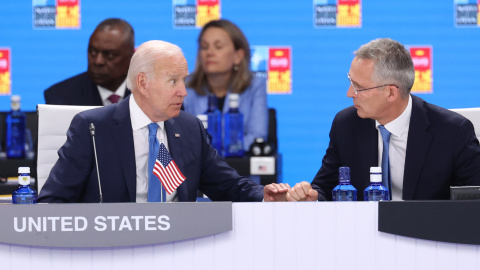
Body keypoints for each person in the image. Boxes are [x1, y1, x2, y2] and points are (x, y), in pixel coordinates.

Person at [37, 40, 287, 203]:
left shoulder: (190, 128)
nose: (183, 91)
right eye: (173, 81)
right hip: (112, 248)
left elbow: (228, 185)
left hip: (179, 244)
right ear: (143, 83)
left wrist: (263, 194)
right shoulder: (92, 128)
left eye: (184, 80)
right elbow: (52, 201)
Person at [285, 38, 480, 202]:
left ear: (391, 92)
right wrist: (312, 197)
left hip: (430, 237)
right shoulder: (346, 125)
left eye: (358, 87)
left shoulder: (453, 132)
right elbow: (326, 186)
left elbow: (472, 202)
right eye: (349, 82)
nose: (349, 93)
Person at [183, 19, 268, 151]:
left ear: (238, 56)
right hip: (199, 169)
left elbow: (257, 136)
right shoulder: (185, 88)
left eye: (218, 47)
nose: (209, 53)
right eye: (204, 47)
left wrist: (220, 154)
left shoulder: (255, 86)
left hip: (239, 169)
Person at [43, 18, 135, 106]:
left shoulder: (147, 94)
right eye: (93, 52)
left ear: (132, 57)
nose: (98, 61)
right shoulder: (61, 97)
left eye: (110, 55)